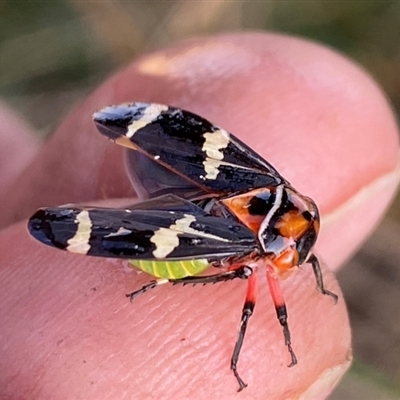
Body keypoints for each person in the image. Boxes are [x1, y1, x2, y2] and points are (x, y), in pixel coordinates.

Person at [0, 33, 398, 399]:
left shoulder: (271, 184)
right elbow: (257, 303)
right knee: (246, 291)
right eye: (291, 251)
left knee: (241, 272)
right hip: (193, 238)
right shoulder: (258, 251)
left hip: (211, 210)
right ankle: (188, 309)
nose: (293, 259)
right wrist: (282, 341)